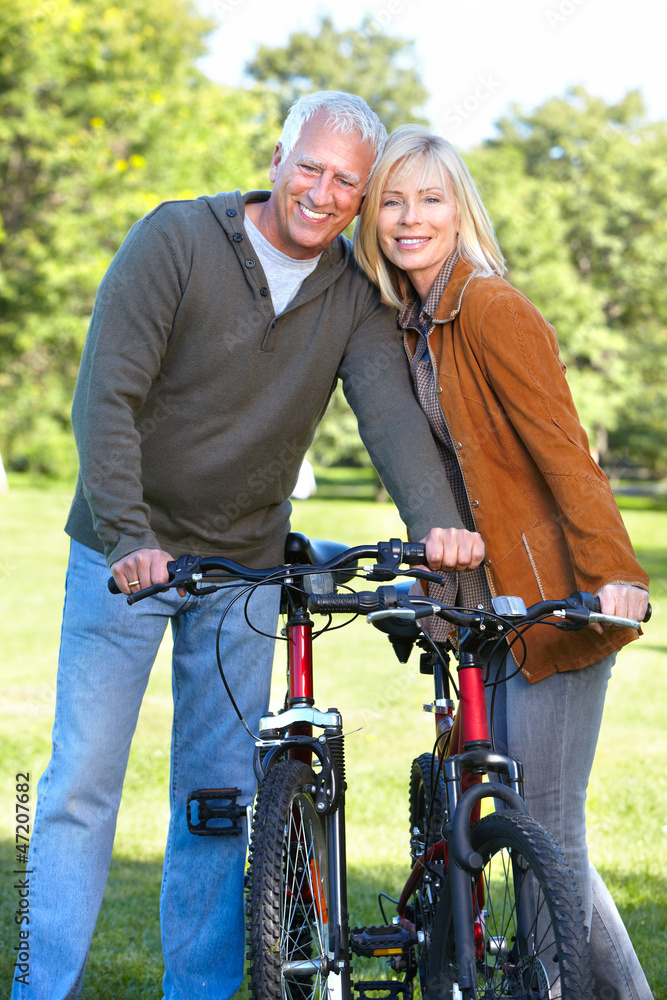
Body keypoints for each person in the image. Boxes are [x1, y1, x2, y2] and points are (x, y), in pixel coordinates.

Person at [15, 96, 486, 1000]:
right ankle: (42, 987)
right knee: (78, 787)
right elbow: (105, 397)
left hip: (244, 568)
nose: (321, 192)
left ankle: (200, 990)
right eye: (309, 167)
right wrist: (127, 536)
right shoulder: (177, 242)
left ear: (361, 197)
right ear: (278, 156)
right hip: (128, 557)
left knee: (218, 799)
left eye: (347, 181)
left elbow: (389, 422)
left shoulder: (350, 293)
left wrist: (439, 533)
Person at [355, 125, 652, 999]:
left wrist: (615, 573)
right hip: (490, 607)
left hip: (551, 605)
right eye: (392, 202)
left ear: (461, 211)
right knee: (540, 837)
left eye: (430, 199)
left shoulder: (487, 305)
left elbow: (563, 451)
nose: (409, 218)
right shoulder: (413, 320)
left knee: (545, 835)